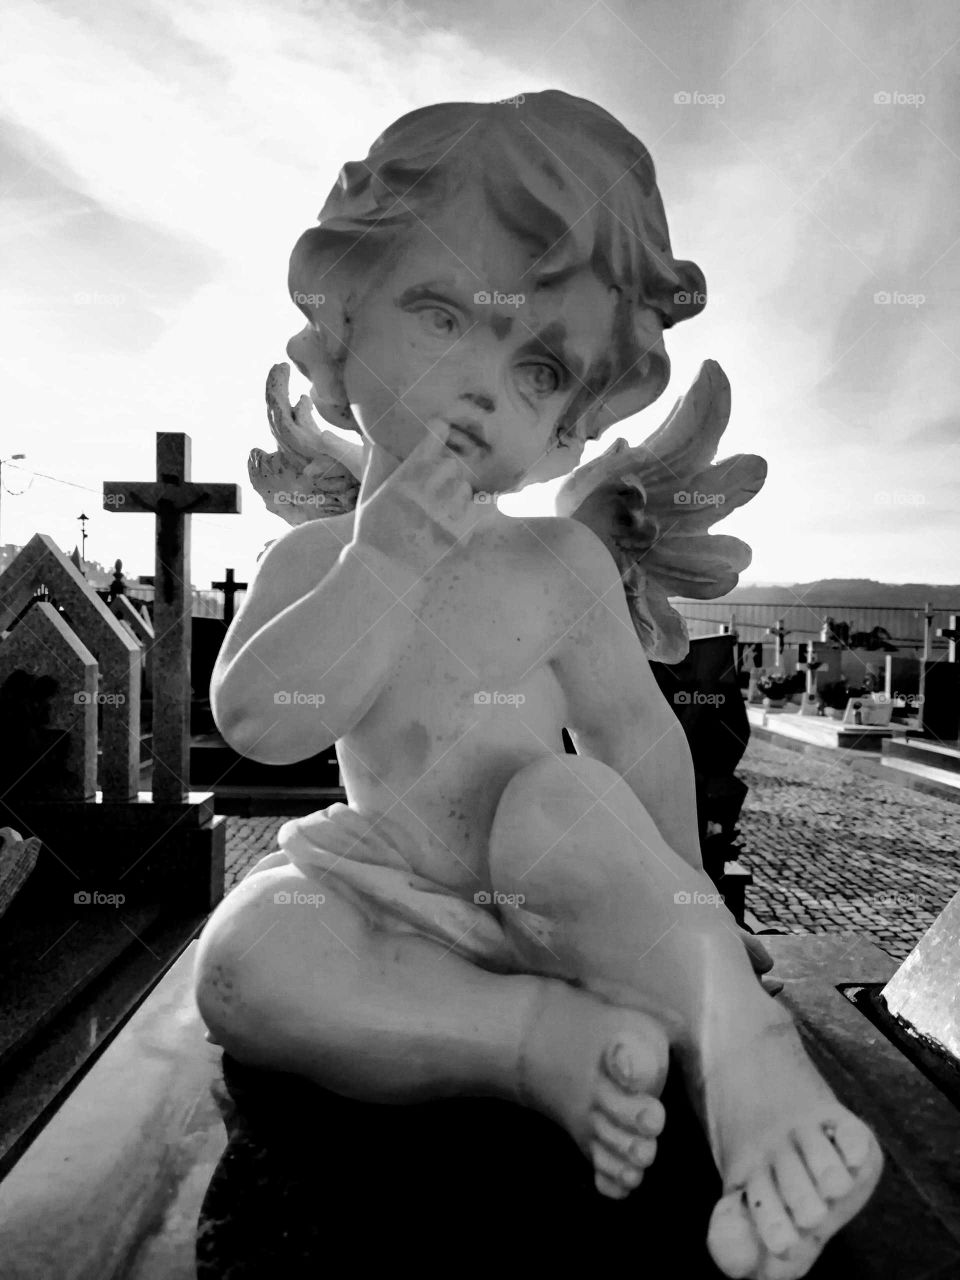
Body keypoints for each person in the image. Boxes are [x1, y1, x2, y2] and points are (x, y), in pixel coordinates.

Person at [194, 91, 882, 1279]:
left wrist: (691, 911)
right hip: (384, 882)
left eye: (539, 368)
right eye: (443, 313)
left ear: (567, 432)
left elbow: (636, 739)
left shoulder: (556, 560)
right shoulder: (312, 560)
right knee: (249, 960)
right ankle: (535, 1041)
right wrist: (382, 567)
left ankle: (743, 1053)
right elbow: (259, 720)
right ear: (340, 321)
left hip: (550, 885)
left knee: (560, 805)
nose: (481, 386)